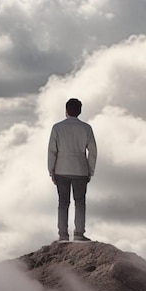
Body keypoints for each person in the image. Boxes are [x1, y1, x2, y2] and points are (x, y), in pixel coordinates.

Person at [48, 98, 97, 242]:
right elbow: (93, 152)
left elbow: (52, 151)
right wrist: (90, 170)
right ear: (80, 111)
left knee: (63, 202)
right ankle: (79, 233)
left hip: (61, 168)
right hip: (80, 169)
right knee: (80, 202)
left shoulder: (57, 127)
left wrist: (51, 170)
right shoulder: (86, 128)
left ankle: (63, 234)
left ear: (66, 111)